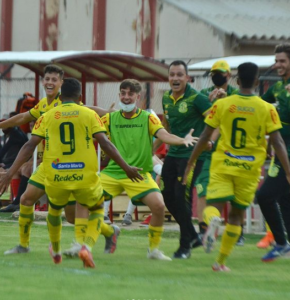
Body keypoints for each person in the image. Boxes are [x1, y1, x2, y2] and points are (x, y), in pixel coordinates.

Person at [3, 78, 142, 267]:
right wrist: (126, 167)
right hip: (68, 170)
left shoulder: (49, 114)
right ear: (80, 97)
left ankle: (68, 246)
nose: (49, 83)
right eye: (47, 79)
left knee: (66, 215)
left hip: (58, 171)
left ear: (60, 91)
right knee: (30, 200)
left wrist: (11, 171)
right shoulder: (80, 112)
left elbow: (29, 143)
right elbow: (105, 142)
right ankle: (27, 245)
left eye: (53, 79)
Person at [183, 62, 290, 271]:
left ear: (237, 81)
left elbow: (205, 135)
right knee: (236, 216)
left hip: (223, 164)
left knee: (212, 206)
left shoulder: (222, 105)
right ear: (257, 82)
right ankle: (220, 262)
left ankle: (213, 221)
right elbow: (277, 142)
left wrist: (190, 162)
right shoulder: (267, 108)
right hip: (249, 171)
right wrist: (287, 170)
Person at [100, 78, 198, 261]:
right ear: (119, 95)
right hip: (113, 172)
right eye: (123, 93)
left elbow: (164, 135)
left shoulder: (147, 118)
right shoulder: (110, 118)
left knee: (159, 205)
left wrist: (182, 140)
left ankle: (153, 250)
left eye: (130, 94)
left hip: (139, 174)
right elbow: (93, 123)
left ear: (138, 96)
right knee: (82, 204)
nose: (126, 97)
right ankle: (107, 232)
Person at [155, 60, 212, 259]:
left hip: (193, 156)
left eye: (180, 75)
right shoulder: (166, 99)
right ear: (168, 78)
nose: (175, 78)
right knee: (167, 196)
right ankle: (194, 235)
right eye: (172, 75)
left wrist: (210, 141)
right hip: (174, 154)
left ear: (187, 78)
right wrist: (150, 151)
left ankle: (184, 245)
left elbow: (216, 122)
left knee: (181, 196)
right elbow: (165, 129)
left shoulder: (198, 98)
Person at [196, 60, 244, 246]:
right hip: (209, 152)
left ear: (228, 75)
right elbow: (206, 117)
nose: (217, 76)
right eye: (214, 73)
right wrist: (211, 104)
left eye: (221, 73)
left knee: (233, 194)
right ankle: (203, 230)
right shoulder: (203, 95)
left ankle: (236, 232)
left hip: (231, 152)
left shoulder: (237, 95)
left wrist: (224, 101)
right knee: (202, 189)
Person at [256, 43, 290, 261]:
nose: (277, 65)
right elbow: (256, 105)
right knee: (285, 199)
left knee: (265, 195)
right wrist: (229, 98)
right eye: (276, 60)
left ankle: (280, 242)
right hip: (282, 150)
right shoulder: (277, 88)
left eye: (282, 61)